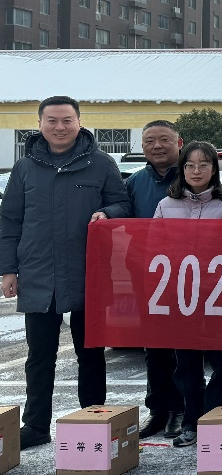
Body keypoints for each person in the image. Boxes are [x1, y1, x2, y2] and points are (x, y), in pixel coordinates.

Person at [0, 96, 128, 449]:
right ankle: (35, 425)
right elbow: (9, 220)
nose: (60, 127)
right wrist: (8, 269)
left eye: (67, 120)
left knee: (91, 352)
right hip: (38, 273)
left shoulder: (100, 163)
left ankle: (94, 418)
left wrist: (108, 213)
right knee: (39, 355)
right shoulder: (25, 168)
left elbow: (123, 202)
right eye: (52, 121)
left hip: (88, 271)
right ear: (40, 124)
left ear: (79, 122)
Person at [95, 119, 185, 440]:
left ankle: (181, 409)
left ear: (179, 143)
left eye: (164, 139)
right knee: (154, 347)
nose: (157, 146)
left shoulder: (193, 176)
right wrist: (107, 214)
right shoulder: (135, 181)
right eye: (149, 141)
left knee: (183, 348)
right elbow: (123, 209)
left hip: (187, 275)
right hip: (147, 275)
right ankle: (158, 409)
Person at [152, 141, 222, 448]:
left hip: (218, 296)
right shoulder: (166, 205)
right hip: (180, 296)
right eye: (190, 165)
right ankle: (191, 420)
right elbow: (154, 248)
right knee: (186, 364)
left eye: (204, 165)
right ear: (182, 169)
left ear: (214, 169)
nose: (196, 171)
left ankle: (215, 417)